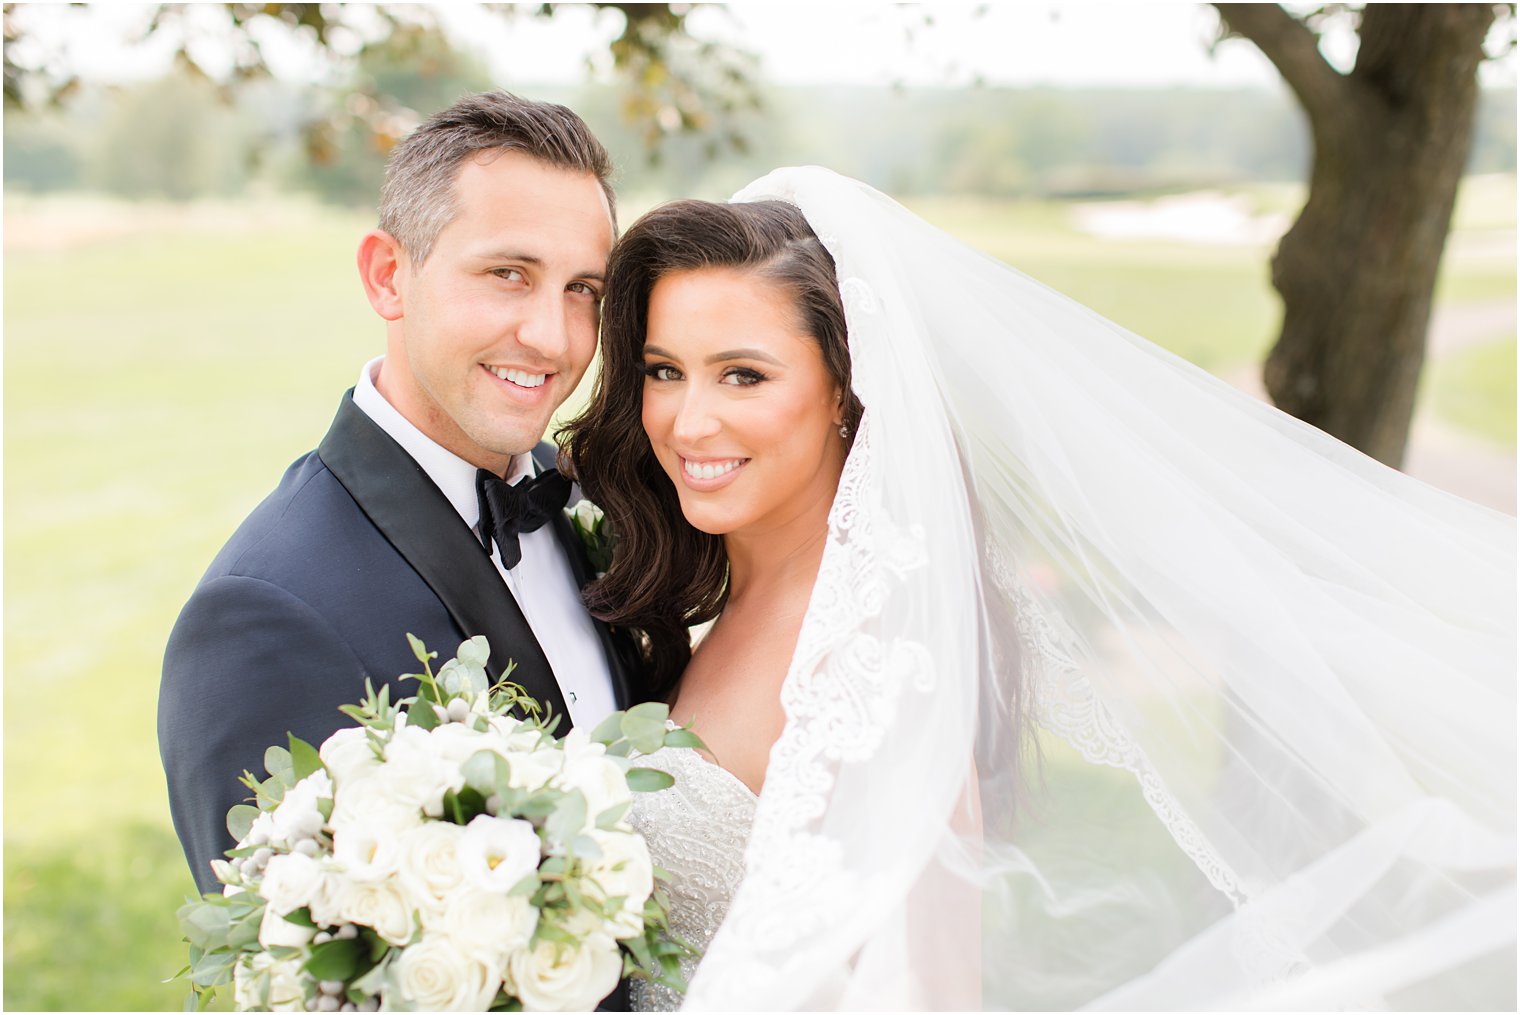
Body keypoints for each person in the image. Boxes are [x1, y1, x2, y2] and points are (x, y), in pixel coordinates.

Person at [561, 168, 1516, 1010]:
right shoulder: (727, 596)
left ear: (848, 392)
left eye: (743, 375)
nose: (689, 420)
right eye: (662, 370)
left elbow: (929, 991)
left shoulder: (869, 665)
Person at [158, 92, 642, 914]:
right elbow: (302, 974)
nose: (555, 338)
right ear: (389, 276)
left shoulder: (593, 502)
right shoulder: (265, 616)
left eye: (582, 289)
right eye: (507, 274)